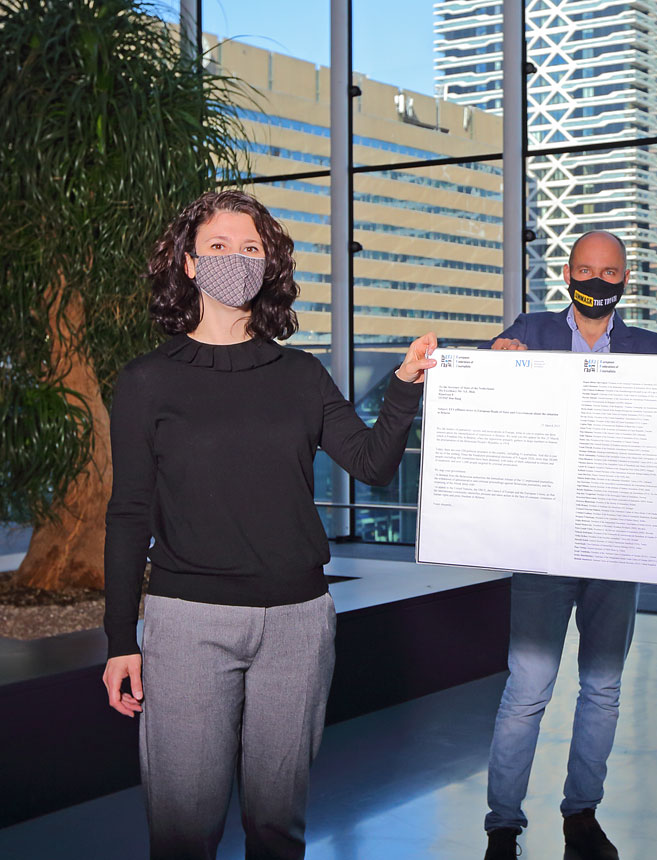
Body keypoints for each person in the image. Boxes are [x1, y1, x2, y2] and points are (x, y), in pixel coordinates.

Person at [101, 190, 437, 860]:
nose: (236, 259)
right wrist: (119, 639)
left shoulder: (300, 374)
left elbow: (371, 464)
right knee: (183, 833)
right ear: (190, 265)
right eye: (218, 247)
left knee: (278, 829)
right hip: (188, 623)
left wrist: (403, 385)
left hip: (297, 625)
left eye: (250, 248)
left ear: (269, 263)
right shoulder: (146, 383)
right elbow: (129, 513)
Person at [483, 230, 657, 860]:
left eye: (609, 272)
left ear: (626, 278)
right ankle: (502, 825)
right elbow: (479, 408)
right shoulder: (528, 332)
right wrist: (492, 359)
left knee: (603, 686)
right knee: (527, 685)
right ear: (567, 272)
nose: (597, 281)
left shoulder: (651, 349)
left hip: (619, 540)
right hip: (543, 542)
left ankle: (581, 816)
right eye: (585, 269)